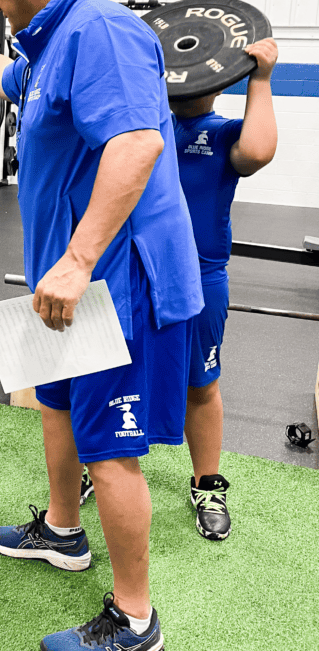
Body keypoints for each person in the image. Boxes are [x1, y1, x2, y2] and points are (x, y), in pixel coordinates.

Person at [0, 0, 202, 651]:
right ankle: (63, 532)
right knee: (56, 406)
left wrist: (76, 262)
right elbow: (3, 82)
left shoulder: (100, 31)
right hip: (65, 282)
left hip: (114, 280)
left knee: (111, 449)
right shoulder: (48, 45)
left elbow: (136, 144)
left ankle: (136, 619)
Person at [171, 38, 279, 539]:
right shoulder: (142, 125)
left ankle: (207, 484)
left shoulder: (220, 134)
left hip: (200, 279)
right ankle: (93, 467)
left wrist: (260, 76)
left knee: (202, 384)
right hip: (133, 275)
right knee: (114, 379)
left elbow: (258, 151)